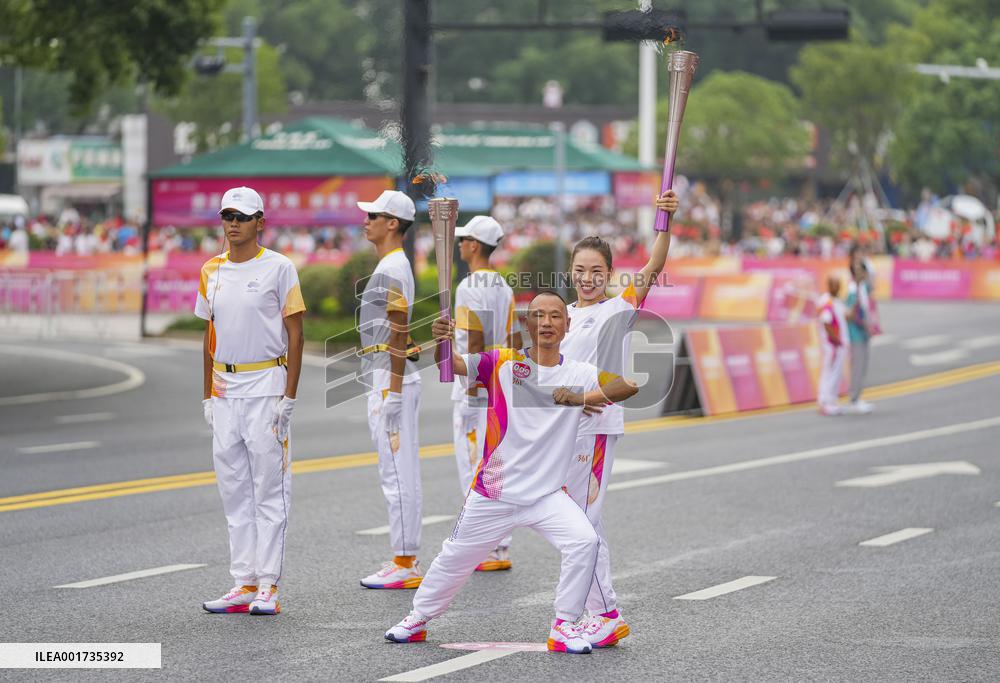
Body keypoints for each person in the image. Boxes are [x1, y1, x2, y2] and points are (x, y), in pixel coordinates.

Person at [385, 292, 639, 653]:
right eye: (539, 316)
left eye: (555, 316)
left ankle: (564, 625)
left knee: (584, 541)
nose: (547, 323)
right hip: (495, 492)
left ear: (567, 326)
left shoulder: (579, 373)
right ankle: (418, 618)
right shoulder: (502, 362)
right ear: (526, 324)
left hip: (546, 495)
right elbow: (454, 364)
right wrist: (442, 340)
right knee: (454, 557)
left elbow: (628, 385)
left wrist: (581, 398)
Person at [557, 190, 677, 648]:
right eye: (581, 270)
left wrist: (664, 221)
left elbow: (653, 265)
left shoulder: (618, 308)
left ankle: (606, 612)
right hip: (567, 432)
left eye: (597, 271)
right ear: (571, 272)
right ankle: (598, 611)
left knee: (582, 524)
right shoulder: (564, 315)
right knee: (584, 522)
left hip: (599, 429)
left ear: (609, 274)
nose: (587, 278)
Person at [197, 187, 305, 616]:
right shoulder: (211, 270)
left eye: (242, 216)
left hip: (266, 387)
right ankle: (242, 580)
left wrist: (289, 396)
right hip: (225, 390)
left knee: (269, 491)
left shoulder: (279, 268)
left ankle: (268, 585)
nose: (233, 223)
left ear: (260, 221)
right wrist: (207, 394)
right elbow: (207, 336)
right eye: (227, 215)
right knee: (234, 491)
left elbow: (296, 334)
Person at [355, 190, 425, 589]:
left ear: (393, 223)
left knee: (397, 474)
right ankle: (404, 557)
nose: (366, 222)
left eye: (374, 216)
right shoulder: (392, 264)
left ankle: (405, 561)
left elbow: (398, 331)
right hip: (384, 377)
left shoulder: (393, 267)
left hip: (389, 382)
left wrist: (394, 392)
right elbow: (399, 332)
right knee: (397, 473)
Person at [448, 215, 521, 572]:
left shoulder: (469, 286)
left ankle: (485, 546)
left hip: (476, 385)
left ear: (474, 245)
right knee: (494, 464)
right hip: (500, 381)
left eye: (463, 239)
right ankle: (499, 545)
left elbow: (473, 340)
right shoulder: (503, 287)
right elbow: (512, 340)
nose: (459, 244)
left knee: (472, 463)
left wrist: (473, 392)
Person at [816, 275, 848, 416]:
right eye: (835, 285)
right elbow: (826, 321)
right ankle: (827, 402)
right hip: (833, 345)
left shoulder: (835, 301)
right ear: (829, 286)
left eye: (839, 285)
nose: (838, 288)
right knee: (832, 373)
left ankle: (828, 401)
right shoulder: (827, 302)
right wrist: (836, 340)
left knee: (832, 372)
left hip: (834, 344)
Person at [845, 261, 874, 414]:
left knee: (863, 365)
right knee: (857, 366)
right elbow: (849, 314)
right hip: (855, 333)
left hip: (863, 332)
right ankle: (854, 399)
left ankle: (857, 397)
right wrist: (861, 323)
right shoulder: (852, 291)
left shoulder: (862, 288)